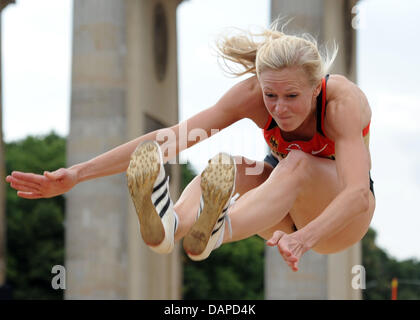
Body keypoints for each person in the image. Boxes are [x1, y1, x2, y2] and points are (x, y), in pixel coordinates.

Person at [5, 20, 375, 272]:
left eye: (292, 96)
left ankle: (219, 229)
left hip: (340, 221)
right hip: (277, 209)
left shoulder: (341, 103)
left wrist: (302, 239)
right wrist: (76, 174)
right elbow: (173, 139)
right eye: (270, 95)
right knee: (227, 165)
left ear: (315, 88)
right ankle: (174, 228)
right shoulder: (251, 97)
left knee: (297, 163)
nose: (278, 108)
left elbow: (357, 193)